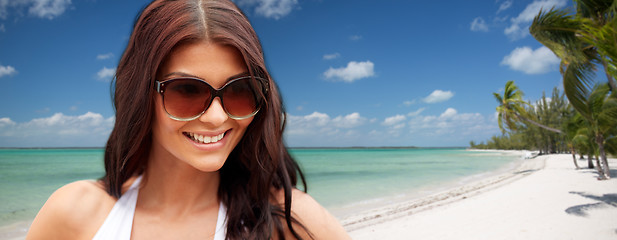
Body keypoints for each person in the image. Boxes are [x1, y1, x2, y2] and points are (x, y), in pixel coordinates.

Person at [26, 0, 350, 239]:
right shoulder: (74, 214)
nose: (217, 116)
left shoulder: (289, 221)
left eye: (239, 90)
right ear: (141, 95)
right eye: (187, 90)